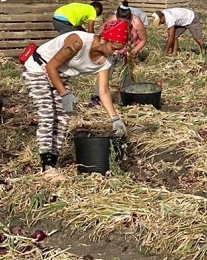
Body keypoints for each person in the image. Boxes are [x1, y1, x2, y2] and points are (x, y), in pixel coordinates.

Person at [22, 19, 131, 170]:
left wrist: (115, 118)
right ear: (104, 39)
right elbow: (51, 67)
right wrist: (65, 94)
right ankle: (46, 166)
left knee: (62, 118)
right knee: (48, 114)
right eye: (113, 48)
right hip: (39, 69)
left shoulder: (107, 60)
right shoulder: (78, 42)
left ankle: (52, 161)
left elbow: (104, 90)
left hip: (60, 74)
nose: (115, 53)